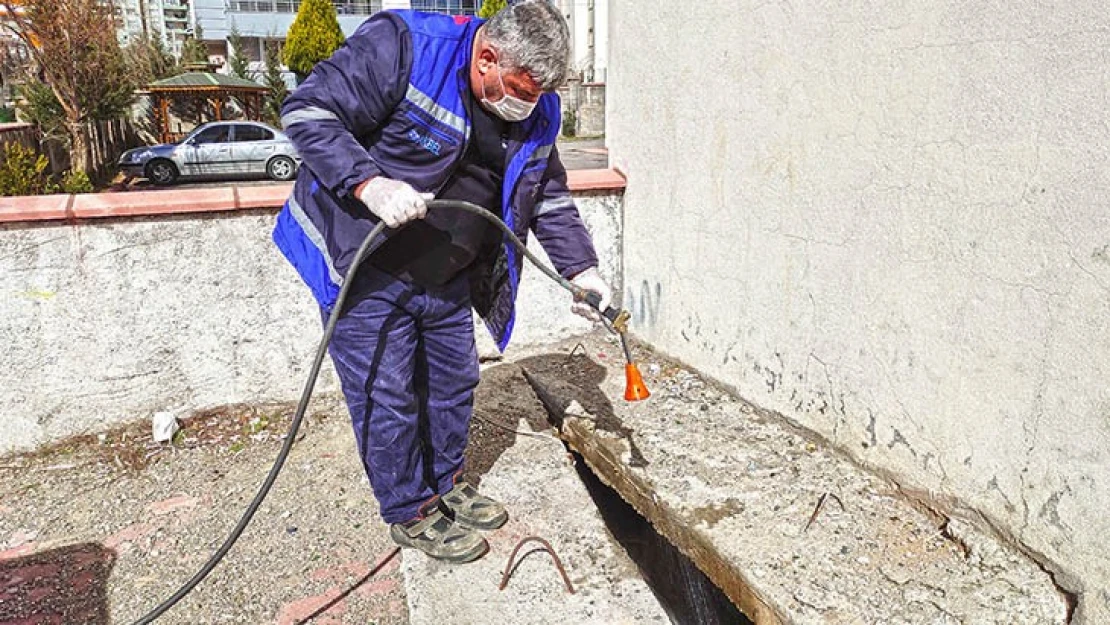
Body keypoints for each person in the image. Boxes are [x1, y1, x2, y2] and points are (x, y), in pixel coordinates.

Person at [272, 0, 611, 563]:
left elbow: (547, 194)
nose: (526, 108)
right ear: (486, 56)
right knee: (388, 397)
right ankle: (409, 510)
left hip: (450, 271)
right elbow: (308, 112)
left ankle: (446, 484)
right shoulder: (406, 46)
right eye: (519, 91)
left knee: (454, 384)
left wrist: (583, 268)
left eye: (537, 97)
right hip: (367, 265)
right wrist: (369, 184)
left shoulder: (539, 108)